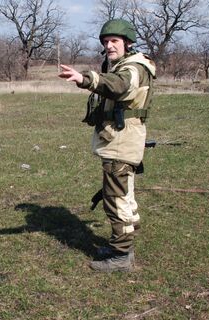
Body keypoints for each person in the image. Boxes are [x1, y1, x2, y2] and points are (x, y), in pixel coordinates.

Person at [58, 19, 156, 272]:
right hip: (119, 140)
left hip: (122, 142)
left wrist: (85, 78)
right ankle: (119, 246)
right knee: (122, 195)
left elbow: (119, 86)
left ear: (128, 43)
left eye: (114, 41)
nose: (109, 46)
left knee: (116, 199)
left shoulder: (133, 68)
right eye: (105, 42)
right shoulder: (125, 65)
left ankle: (122, 255)